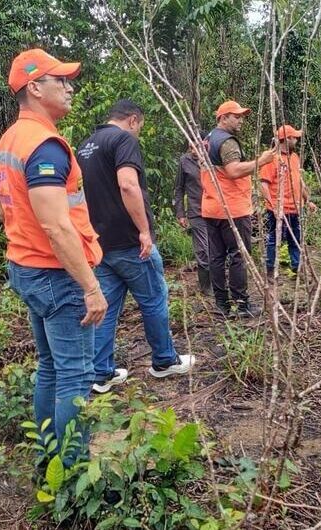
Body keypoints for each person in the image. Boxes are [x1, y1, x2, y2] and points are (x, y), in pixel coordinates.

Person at [0, 49, 107, 463]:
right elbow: (56, 226)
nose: (69, 87)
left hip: (27, 267)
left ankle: (49, 458)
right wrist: (90, 287)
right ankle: (72, 474)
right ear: (35, 88)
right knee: (75, 373)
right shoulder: (45, 147)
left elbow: (8, 210)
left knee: (51, 367)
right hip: (57, 275)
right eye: (61, 80)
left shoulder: (9, 141)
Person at [77, 99, 195, 394]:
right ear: (132, 120)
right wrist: (143, 231)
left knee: (107, 308)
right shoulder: (123, 140)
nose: (138, 131)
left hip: (100, 243)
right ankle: (164, 360)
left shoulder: (85, 146)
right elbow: (128, 185)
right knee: (154, 298)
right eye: (139, 126)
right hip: (130, 242)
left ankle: (101, 372)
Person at [200, 100, 274, 317]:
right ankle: (242, 305)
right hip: (231, 208)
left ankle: (221, 304)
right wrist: (261, 161)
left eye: (242, 116)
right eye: (237, 116)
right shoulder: (227, 141)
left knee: (216, 256)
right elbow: (233, 171)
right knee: (238, 255)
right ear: (223, 118)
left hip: (211, 207)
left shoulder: (208, 139)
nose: (241, 120)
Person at [260, 124, 316, 277]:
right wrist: (273, 206)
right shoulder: (271, 159)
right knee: (274, 239)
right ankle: (270, 271)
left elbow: (299, 181)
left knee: (295, 238)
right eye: (294, 138)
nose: (297, 141)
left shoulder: (295, 157)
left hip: (295, 208)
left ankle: (297, 268)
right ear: (287, 139)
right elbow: (264, 184)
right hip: (278, 209)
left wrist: (308, 201)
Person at [173, 133, 211, 295]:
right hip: (196, 211)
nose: (194, 150)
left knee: (216, 249)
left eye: (197, 146)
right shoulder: (184, 161)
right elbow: (179, 188)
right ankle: (206, 286)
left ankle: (219, 283)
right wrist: (180, 213)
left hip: (215, 210)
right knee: (203, 250)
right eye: (191, 147)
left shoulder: (213, 158)